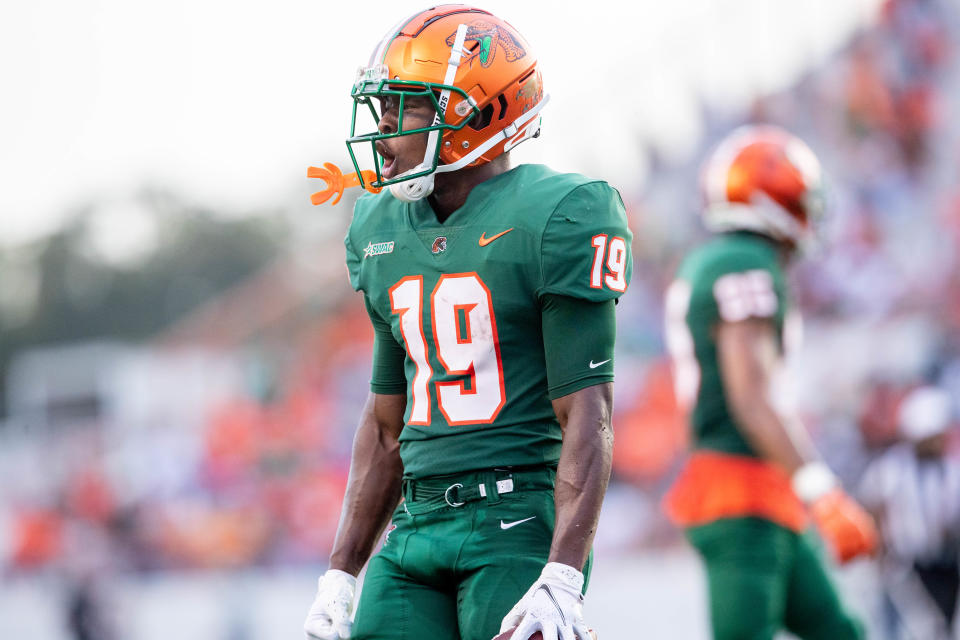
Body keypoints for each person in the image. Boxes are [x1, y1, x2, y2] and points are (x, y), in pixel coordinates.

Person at [303, 6, 632, 640]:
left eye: (404, 107)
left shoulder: (560, 213)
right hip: (414, 531)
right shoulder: (378, 229)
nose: (384, 129)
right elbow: (383, 425)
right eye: (382, 108)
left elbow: (589, 412)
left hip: (513, 521)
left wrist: (563, 574)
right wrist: (340, 574)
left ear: (475, 112)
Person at [662, 124, 877, 639]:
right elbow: (752, 398)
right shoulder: (743, 262)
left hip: (758, 485)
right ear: (777, 197)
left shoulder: (720, 259)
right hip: (739, 490)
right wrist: (824, 492)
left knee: (838, 630)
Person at [859, 385, 960, 640]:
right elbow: (873, 504)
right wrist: (880, 545)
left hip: (945, 562)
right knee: (908, 627)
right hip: (905, 564)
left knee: (940, 626)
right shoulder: (893, 468)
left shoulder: (950, 469)